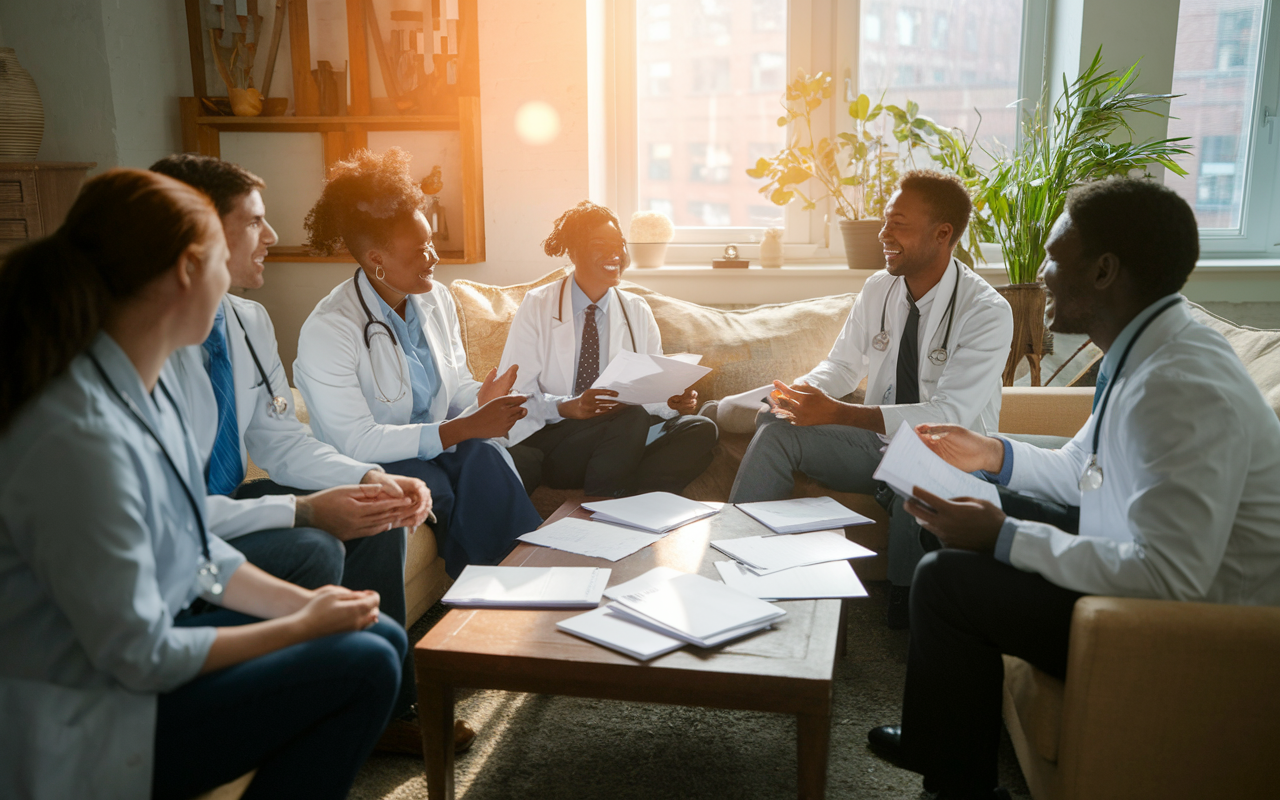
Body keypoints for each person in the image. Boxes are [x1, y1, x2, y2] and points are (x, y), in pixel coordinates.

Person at [866, 178, 1280, 800]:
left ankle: (958, 789)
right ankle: (939, 737)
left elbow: (1171, 576)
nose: (1042, 277)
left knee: (947, 580)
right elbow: (1078, 467)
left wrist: (1004, 536)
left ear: (1106, 271)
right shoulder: (1143, 353)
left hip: (1181, 626)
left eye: (1058, 257)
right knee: (958, 509)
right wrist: (991, 454)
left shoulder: (1182, 385)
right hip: (1136, 569)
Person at [0, 169, 406, 799]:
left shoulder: (145, 389)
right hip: (89, 711)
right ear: (190, 270)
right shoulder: (75, 434)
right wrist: (302, 627)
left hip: (133, 668)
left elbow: (195, 548)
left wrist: (310, 608)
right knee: (368, 661)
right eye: (226, 250)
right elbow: (139, 655)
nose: (265, 241)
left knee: (377, 635)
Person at [148, 155, 449, 750]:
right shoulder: (149, 340)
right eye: (255, 222)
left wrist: (368, 474)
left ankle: (387, 712)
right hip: (189, 521)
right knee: (312, 544)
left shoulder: (248, 321)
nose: (274, 237)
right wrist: (305, 511)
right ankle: (310, 700)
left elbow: (280, 442)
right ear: (201, 229)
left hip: (230, 499)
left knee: (374, 507)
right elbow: (169, 506)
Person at [728, 170, 1013, 628]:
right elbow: (841, 367)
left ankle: (904, 605)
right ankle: (740, 560)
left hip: (947, 455)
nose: (883, 234)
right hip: (877, 447)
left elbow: (947, 416)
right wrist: (803, 394)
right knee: (778, 430)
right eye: (886, 221)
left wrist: (838, 412)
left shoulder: (987, 311)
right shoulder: (878, 288)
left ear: (943, 234)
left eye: (898, 224)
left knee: (915, 458)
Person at [293, 146, 542, 581]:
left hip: (432, 446)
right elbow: (357, 442)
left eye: (432, 244)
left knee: (485, 457)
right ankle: (489, 593)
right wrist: (462, 428)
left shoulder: (435, 299)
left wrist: (481, 401)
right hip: (370, 461)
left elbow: (454, 387)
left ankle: (527, 572)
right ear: (377, 261)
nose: (434, 258)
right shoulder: (329, 329)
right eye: (422, 249)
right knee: (438, 486)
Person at [497, 201, 718, 496]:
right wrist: (569, 406)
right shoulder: (537, 305)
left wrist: (671, 400)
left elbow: (650, 393)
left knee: (701, 429)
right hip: (560, 440)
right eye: (600, 244)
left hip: (622, 435)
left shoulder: (636, 309)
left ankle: (635, 501)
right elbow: (515, 397)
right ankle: (608, 506)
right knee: (630, 417)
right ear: (573, 252)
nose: (615, 253)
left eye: (620, 244)